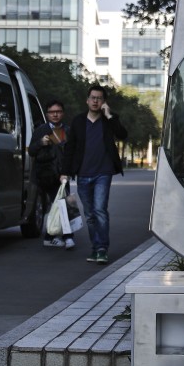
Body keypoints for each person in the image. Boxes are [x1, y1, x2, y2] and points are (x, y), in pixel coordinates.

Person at [61, 85, 128, 264]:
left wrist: (110, 116)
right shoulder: (78, 121)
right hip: (83, 174)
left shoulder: (109, 120)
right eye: (93, 97)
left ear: (103, 102)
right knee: (90, 214)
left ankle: (102, 249)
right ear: (87, 100)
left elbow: (122, 134)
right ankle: (95, 246)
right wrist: (65, 172)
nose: (95, 101)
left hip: (103, 173)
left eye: (99, 98)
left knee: (99, 210)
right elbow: (70, 148)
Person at [28, 100, 75, 249]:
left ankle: (57, 236)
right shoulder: (41, 130)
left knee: (62, 205)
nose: (55, 114)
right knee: (58, 205)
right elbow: (31, 151)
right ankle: (61, 237)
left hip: (62, 175)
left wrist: (67, 173)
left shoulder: (68, 131)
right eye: (52, 112)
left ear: (63, 113)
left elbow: (72, 154)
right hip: (44, 175)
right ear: (47, 114)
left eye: (58, 111)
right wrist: (40, 142)